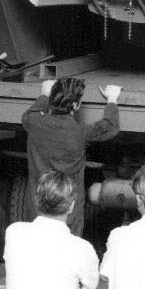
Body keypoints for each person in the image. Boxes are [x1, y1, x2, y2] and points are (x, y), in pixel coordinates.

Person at [23, 78, 122, 238]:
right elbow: (110, 126)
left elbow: (31, 113)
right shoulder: (80, 133)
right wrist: (111, 99)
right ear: (76, 105)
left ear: (52, 100)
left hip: (37, 207)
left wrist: (44, 94)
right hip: (68, 210)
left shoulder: (33, 123)